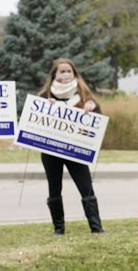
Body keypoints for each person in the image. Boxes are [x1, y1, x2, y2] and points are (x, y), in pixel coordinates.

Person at [37, 58, 104, 235]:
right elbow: (35, 120)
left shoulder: (83, 95)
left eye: (69, 71)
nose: (66, 74)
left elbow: (98, 120)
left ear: (74, 73)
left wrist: (93, 108)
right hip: (51, 151)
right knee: (54, 188)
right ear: (54, 74)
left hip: (76, 151)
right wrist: (46, 108)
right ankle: (58, 228)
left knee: (85, 186)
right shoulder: (45, 96)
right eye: (62, 71)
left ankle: (96, 227)